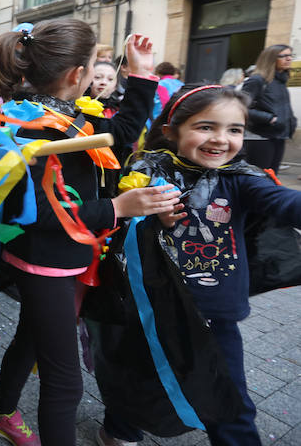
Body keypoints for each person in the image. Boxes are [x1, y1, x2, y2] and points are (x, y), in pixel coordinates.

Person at [0, 26, 174, 446]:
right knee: (65, 381)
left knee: (31, 339)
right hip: (45, 261)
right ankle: (1, 411)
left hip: (67, 256)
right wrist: (116, 208)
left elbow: (121, 135)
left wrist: (143, 75)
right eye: (92, 66)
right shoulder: (32, 126)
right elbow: (35, 214)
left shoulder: (62, 112)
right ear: (77, 74)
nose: (94, 74)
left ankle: (0, 411)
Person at [95, 84, 301, 446]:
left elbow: (282, 201)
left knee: (229, 401)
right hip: (148, 308)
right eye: (206, 127)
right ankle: (119, 428)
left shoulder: (240, 179)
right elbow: (114, 228)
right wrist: (150, 221)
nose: (221, 139)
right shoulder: (144, 172)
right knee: (138, 374)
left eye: (234, 130)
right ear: (172, 131)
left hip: (214, 316)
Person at [241, 45, 297, 174]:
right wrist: (269, 119)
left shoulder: (280, 81)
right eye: (283, 56)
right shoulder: (257, 80)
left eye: (290, 55)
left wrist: (290, 121)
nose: (289, 59)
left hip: (279, 135)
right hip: (260, 137)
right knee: (259, 177)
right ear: (270, 59)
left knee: (272, 177)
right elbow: (241, 107)